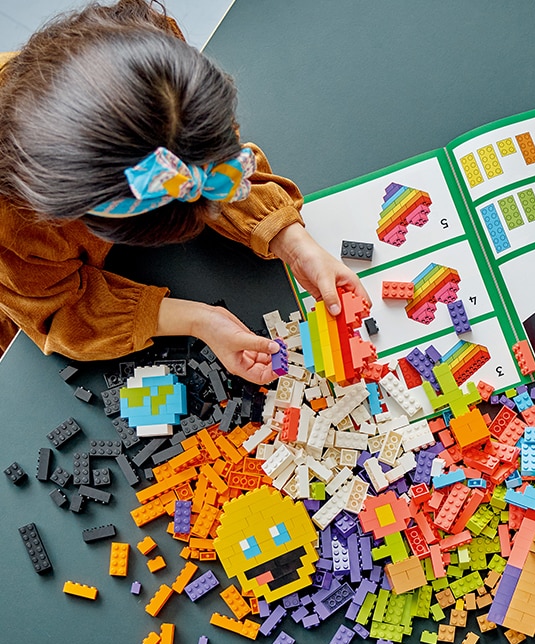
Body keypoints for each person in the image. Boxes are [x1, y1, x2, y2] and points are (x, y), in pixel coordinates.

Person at [0, 0, 368, 384]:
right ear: (61, 203)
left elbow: (218, 162)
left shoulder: (163, 69)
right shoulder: (16, 214)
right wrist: (197, 319)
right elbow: (56, 309)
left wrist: (293, 242)